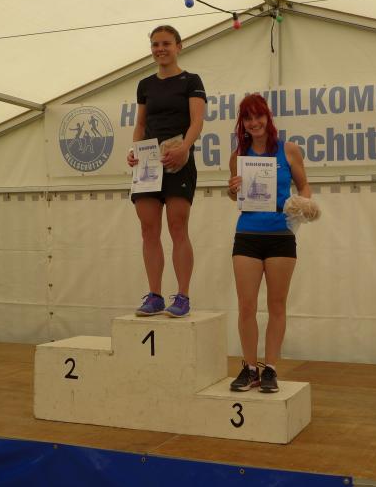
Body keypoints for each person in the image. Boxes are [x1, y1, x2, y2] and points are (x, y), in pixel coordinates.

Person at [226, 94, 311, 393]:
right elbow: (234, 196)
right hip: (247, 235)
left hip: (281, 236)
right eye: (248, 118)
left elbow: (304, 186)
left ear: (268, 117)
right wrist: (232, 189)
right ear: (243, 124)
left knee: (277, 304)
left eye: (258, 116)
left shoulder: (289, 150)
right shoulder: (238, 156)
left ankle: (270, 368)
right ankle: (250, 368)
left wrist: (302, 204)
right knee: (246, 305)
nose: (254, 123)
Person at [127, 25, 206, 317]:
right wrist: (135, 151)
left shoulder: (191, 81)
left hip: (178, 161)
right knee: (148, 230)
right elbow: (140, 124)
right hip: (148, 163)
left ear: (178, 46)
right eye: (155, 44)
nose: (160, 49)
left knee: (177, 227)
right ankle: (155, 295)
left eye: (166, 44)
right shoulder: (145, 84)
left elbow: (197, 121)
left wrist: (184, 147)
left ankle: (183, 296)